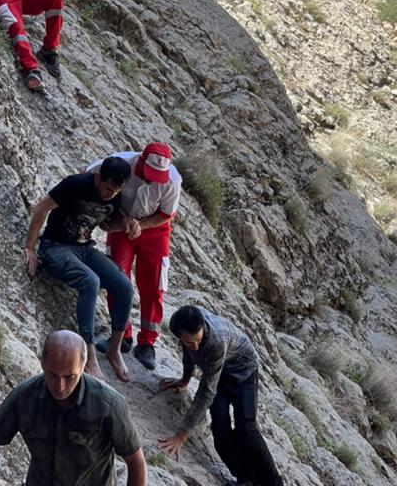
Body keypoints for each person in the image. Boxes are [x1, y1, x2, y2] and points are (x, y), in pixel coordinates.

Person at [0, 330, 147, 485]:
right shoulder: (25, 396)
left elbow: (135, 462)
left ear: (83, 367)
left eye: (70, 377)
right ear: (42, 364)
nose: (60, 386)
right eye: (53, 375)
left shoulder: (109, 405)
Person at [25, 158, 135, 382]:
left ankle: (113, 349)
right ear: (98, 177)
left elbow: (108, 224)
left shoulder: (115, 197)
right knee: (90, 281)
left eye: (115, 191)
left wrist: (126, 224)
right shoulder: (76, 184)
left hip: (84, 248)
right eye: (107, 188)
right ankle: (89, 353)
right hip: (55, 247)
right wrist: (29, 247)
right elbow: (42, 207)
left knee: (124, 286)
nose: (110, 194)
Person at [158, 305, 284, 486]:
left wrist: (182, 434)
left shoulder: (216, 341)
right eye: (189, 342)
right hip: (219, 372)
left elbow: (206, 392)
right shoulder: (182, 324)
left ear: (202, 329)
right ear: (180, 334)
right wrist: (185, 379)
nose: (195, 346)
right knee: (219, 427)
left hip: (244, 371)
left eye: (198, 340)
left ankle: (274, 482)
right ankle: (245, 478)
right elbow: (188, 354)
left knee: (246, 429)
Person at [87, 143, 181, 371]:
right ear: (140, 160)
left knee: (154, 285)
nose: (151, 181)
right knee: (116, 277)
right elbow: (90, 177)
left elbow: (166, 214)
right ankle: (123, 335)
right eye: (148, 175)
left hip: (155, 231)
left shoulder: (172, 181)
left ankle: (147, 343)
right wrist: (111, 217)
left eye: (156, 178)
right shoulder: (120, 163)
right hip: (121, 225)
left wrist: (142, 224)